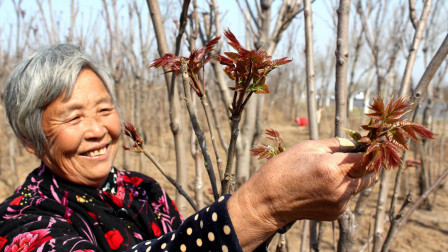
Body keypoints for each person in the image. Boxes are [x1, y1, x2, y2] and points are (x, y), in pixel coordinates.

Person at [0, 44, 375, 252]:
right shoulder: (20, 225)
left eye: (104, 109)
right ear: (29, 139)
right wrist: (262, 206)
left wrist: (278, 216)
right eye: (73, 117)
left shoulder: (142, 190)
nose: (98, 129)